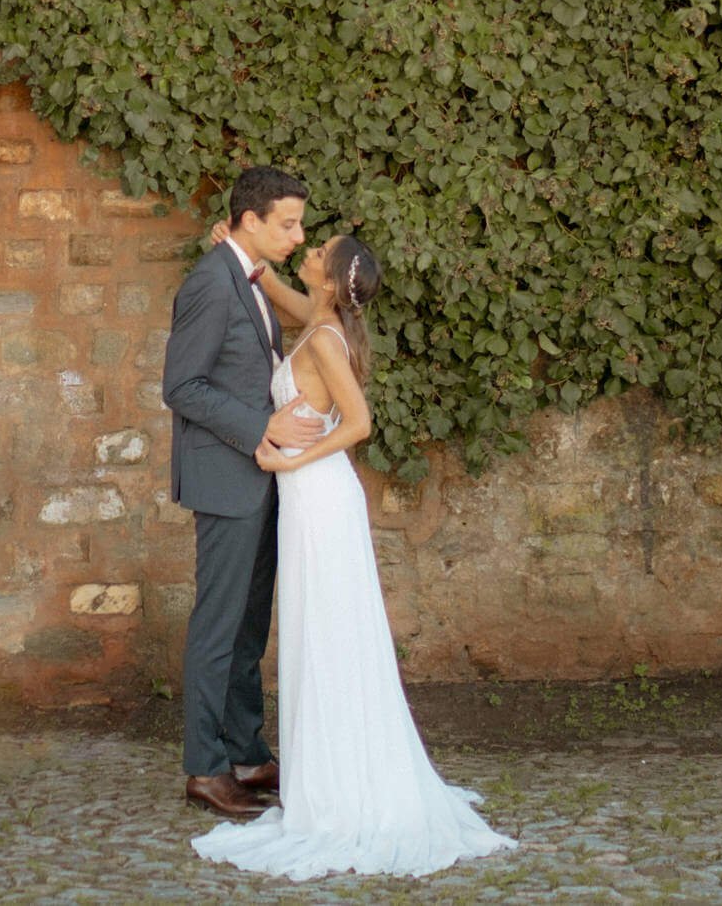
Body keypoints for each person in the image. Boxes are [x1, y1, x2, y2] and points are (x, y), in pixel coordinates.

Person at [189, 230, 519, 880]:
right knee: (320, 631)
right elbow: (279, 293)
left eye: (320, 253)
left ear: (335, 280)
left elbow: (358, 421)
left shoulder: (325, 339)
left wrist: (285, 454)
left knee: (329, 634)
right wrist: (245, 258)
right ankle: (328, 768)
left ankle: (343, 785)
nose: (308, 250)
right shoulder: (318, 317)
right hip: (308, 500)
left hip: (319, 497)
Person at [160, 165, 326, 818]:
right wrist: (262, 425)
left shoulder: (249, 277)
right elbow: (183, 386)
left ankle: (247, 752)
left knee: (250, 624)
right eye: (288, 222)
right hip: (227, 475)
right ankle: (205, 768)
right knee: (218, 624)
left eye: (300, 222)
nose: (299, 232)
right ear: (249, 219)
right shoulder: (209, 282)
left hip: (260, 478)